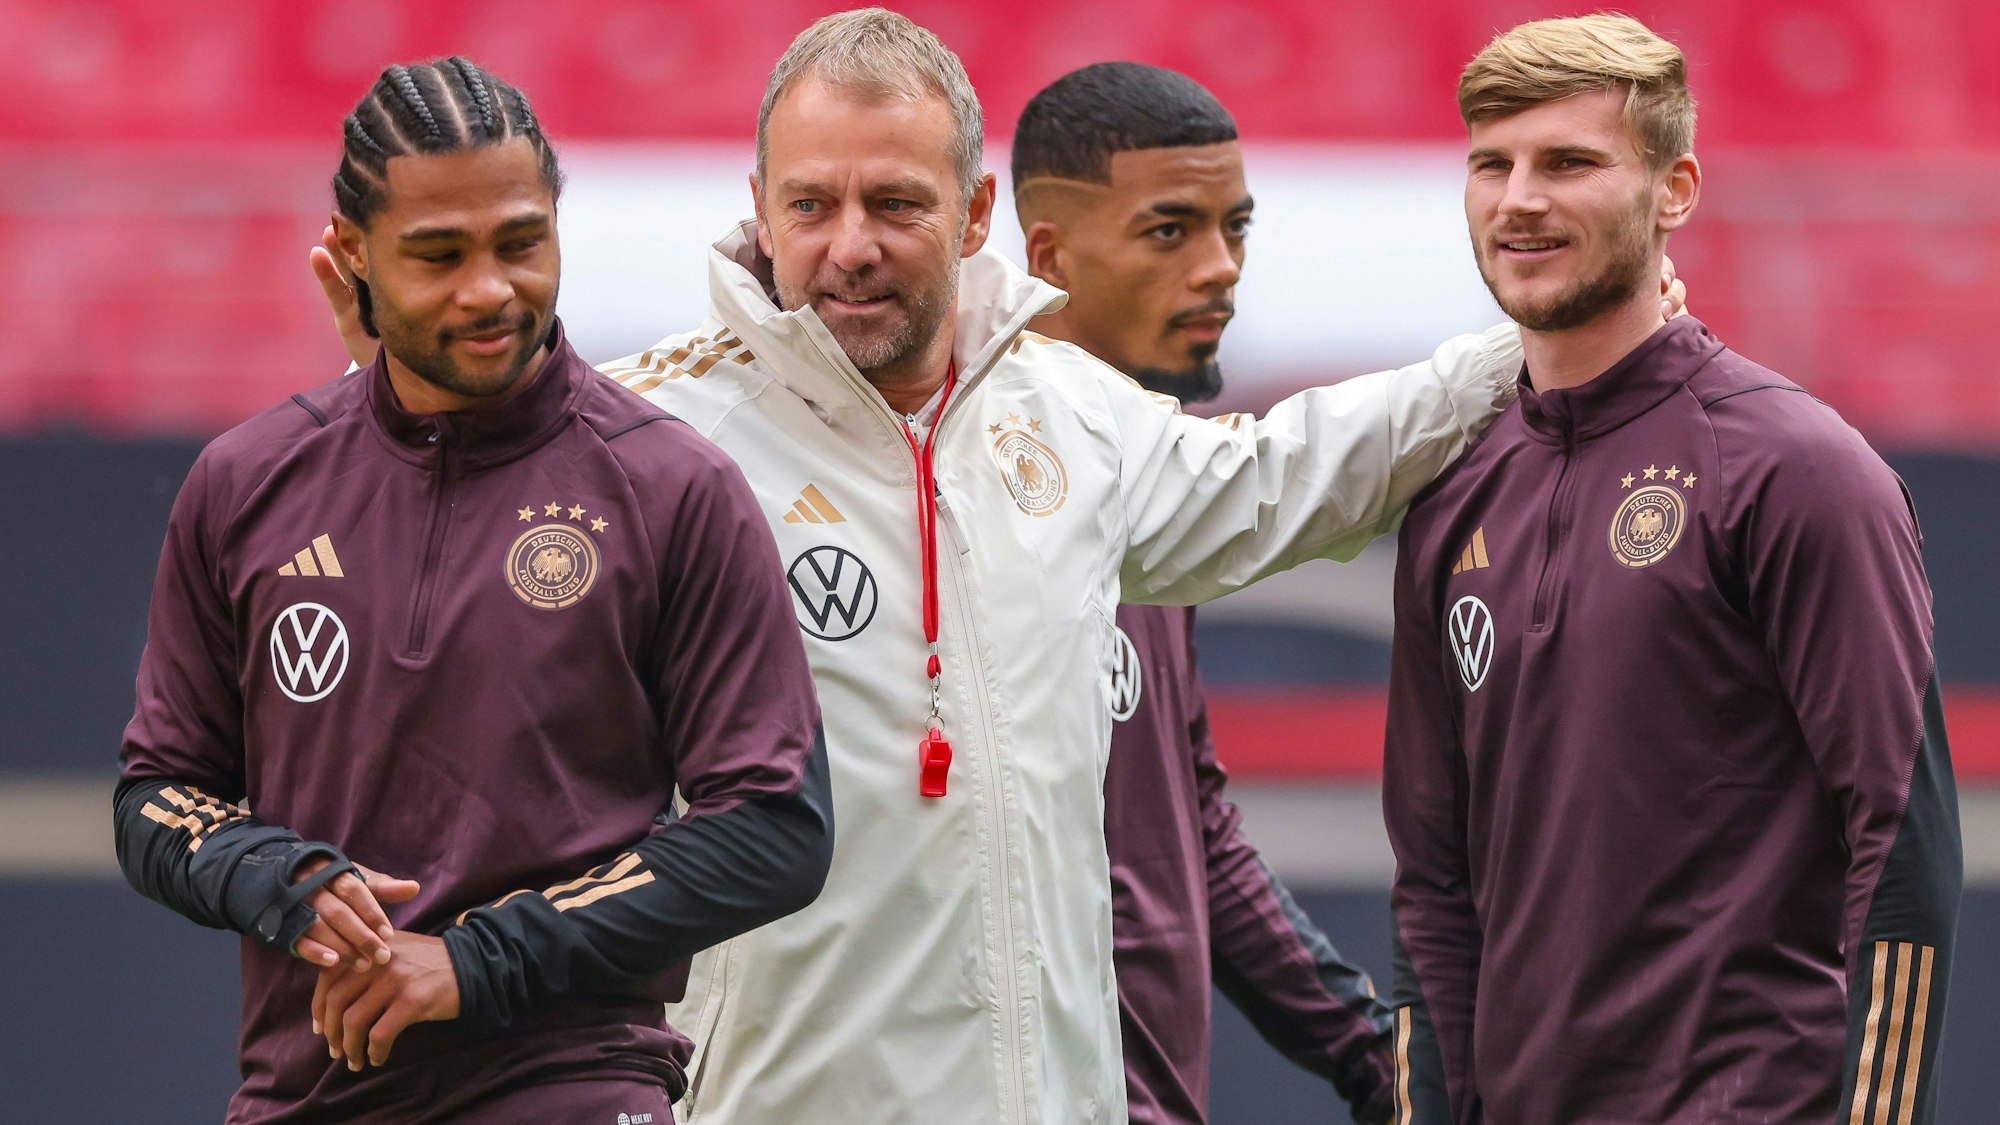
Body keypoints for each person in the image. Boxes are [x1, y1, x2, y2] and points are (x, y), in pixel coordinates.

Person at [313, 14, 1525, 1123]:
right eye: (811, 205)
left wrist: (1527, 347)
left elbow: (1280, 477)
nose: (849, 248)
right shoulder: (644, 438)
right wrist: (408, 407)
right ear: (756, 205)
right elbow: (428, 603)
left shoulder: (1070, 414)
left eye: (893, 203)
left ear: (973, 209)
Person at [116, 57, 833, 1123]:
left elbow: (773, 826)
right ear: (353, 255)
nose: (490, 289)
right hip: (304, 1096)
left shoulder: (671, 487)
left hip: (574, 1086)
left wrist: (475, 962)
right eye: (438, 255)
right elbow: (156, 799)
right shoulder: (245, 483)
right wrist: (273, 875)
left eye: (519, 242)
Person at [1383, 15, 1960, 1125]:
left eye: (1568, 163)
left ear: (1674, 188)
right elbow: (1431, 889)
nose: (1517, 200)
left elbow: (1899, 847)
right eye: (1489, 166)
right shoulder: (1450, 495)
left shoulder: (1796, 471)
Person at [1010, 62, 1393, 1125]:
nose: (1220, 271)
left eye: (1235, 229)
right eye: (1170, 231)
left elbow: (1190, 829)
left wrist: (1372, 1051)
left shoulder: (1147, 489)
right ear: (1046, 258)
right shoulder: (969, 507)